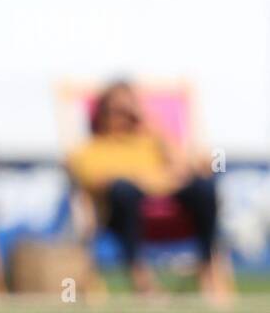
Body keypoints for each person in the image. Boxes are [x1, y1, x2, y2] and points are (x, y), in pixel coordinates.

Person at [66, 80, 229, 299]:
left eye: (130, 110)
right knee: (124, 190)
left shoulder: (152, 141)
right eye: (118, 110)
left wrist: (152, 127)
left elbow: (187, 168)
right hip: (121, 213)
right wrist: (155, 180)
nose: (125, 117)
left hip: (169, 208)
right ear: (103, 113)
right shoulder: (93, 148)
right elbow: (97, 181)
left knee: (204, 188)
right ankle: (141, 278)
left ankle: (207, 270)